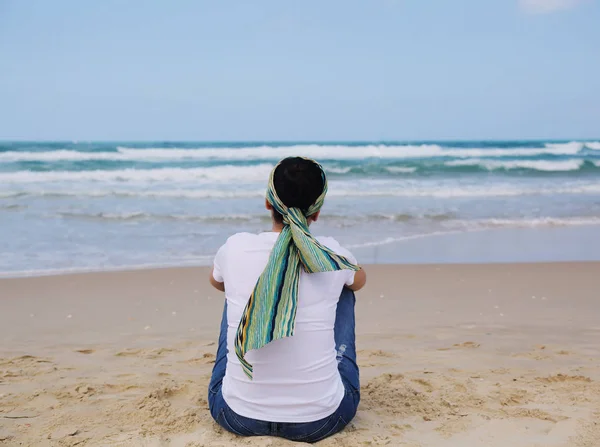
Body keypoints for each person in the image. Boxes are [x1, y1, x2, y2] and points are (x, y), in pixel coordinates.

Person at [208, 156, 367, 443]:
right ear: (317, 212)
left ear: (268, 202)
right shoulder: (331, 254)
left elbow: (214, 282)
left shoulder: (235, 247)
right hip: (322, 420)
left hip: (236, 415)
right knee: (344, 284)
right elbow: (361, 280)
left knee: (234, 287)